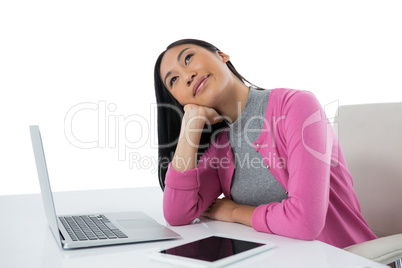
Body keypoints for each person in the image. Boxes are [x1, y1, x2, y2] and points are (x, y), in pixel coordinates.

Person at [153, 39, 377, 248]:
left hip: (342, 257)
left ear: (222, 55)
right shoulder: (220, 144)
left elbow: (305, 222)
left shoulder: (296, 106)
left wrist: (234, 212)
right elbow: (178, 214)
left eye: (188, 58)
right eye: (174, 80)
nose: (187, 76)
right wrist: (190, 126)